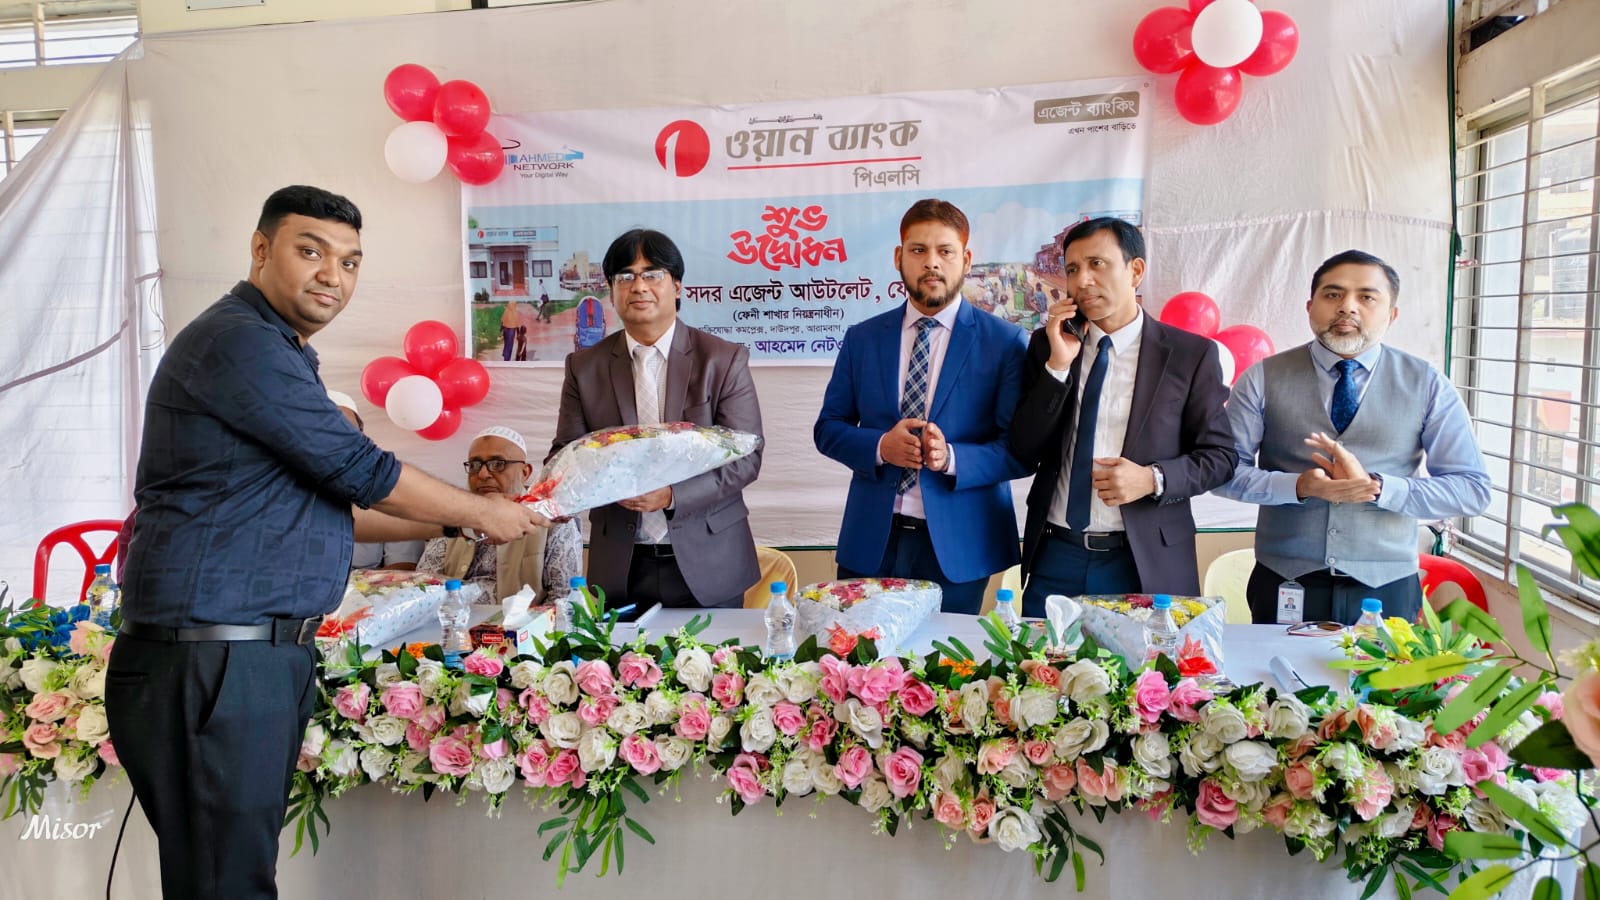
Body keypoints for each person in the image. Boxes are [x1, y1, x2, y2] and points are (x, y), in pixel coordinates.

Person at [107, 185, 547, 900]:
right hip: (214, 658)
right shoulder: (240, 343)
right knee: (227, 884)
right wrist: (479, 509)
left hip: (246, 656)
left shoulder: (280, 350)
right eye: (310, 251)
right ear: (260, 250)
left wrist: (463, 519)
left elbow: (336, 503)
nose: (331, 275)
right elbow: (362, 471)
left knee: (230, 876)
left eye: (349, 262)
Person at [1214, 249, 1491, 624]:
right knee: (1277, 666)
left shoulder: (1427, 384)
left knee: (1380, 668)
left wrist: (1378, 488)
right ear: (1310, 307)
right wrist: (1298, 487)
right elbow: (1224, 473)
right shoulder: (1262, 378)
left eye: (1367, 297)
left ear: (1392, 314)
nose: (1347, 306)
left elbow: (1472, 489)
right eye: (1333, 294)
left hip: (1386, 585)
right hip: (1286, 580)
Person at [1010, 217, 1235, 618]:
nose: (1082, 281)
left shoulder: (1190, 355)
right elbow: (1023, 449)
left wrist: (1152, 478)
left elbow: (1221, 458)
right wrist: (1057, 368)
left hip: (1144, 560)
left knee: (1146, 661)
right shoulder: (1049, 344)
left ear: (1136, 270)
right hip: (1056, 554)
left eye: (1097, 264)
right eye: (1073, 269)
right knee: (1041, 658)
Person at [814, 199, 1029, 614]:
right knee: (857, 653)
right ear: (899, 257)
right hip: (871, 541)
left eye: (945, 251)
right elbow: (828, 428)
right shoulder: (863, 338)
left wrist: (950, 458)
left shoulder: (1005, 343)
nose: (931, 262)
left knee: (945, 657)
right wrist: (881, 447)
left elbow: (1018, 451)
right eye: (918, 250)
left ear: (966, 260)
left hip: (959, 546)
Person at [548, 228, 764, 608]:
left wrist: (671, 496)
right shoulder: (584, 367)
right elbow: (566, 455)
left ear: (677, 287)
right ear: (611, 290)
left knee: (716, 650)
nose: (638, 286)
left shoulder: (722, 359)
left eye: (652, 274)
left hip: (711, 560)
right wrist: (562, 492)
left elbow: (746, 458)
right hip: (620, 565)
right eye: (625, 276)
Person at [417, 425, 582, 601]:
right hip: (455, 615)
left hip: (522, 619)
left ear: (525, 473)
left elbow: (564, 598)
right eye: (475, 465)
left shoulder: (553, 520)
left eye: (497, 464)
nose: (483, 474)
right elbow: (424, 585)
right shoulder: (455, 517)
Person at [327, 389, 424, 571]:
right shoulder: (280, 488)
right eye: (327, 432)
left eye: (347, 432)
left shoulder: (387, 486)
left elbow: (402, 565)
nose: (338, 442)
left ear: (361, 438)